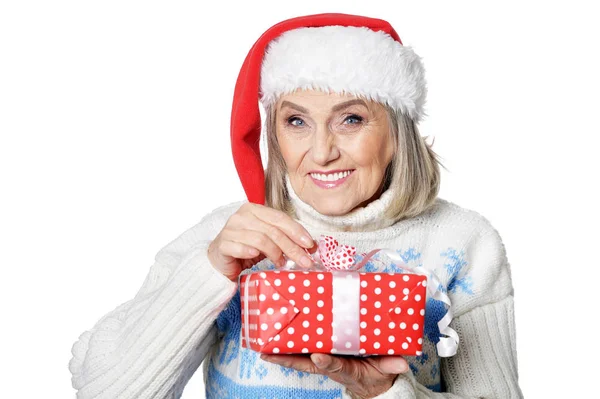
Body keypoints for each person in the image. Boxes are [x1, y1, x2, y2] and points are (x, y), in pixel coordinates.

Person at [68, 13, 523, 399]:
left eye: (351, 119)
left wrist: (387, 392)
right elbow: (102, 389)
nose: (322, 152)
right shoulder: (230, 237)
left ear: (396, 133)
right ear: (275, 135)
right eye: (297, 121)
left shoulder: (463, 243)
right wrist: (207, 276)